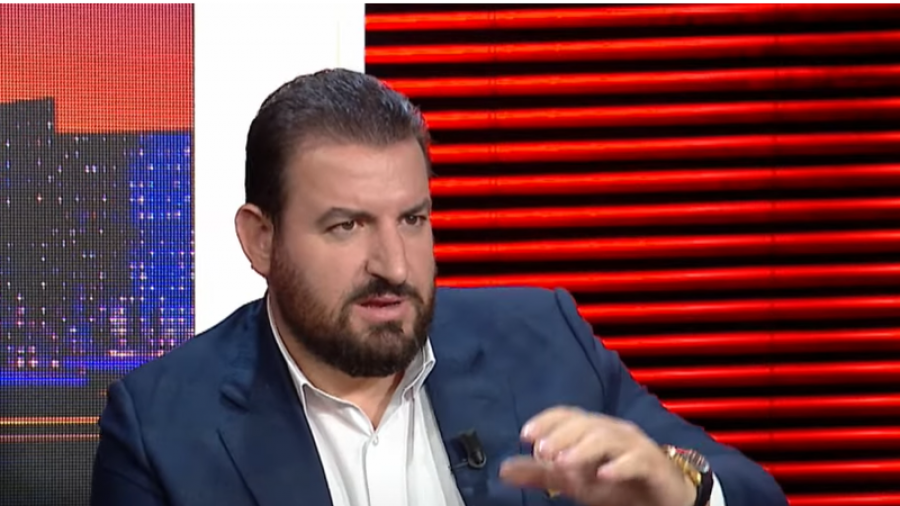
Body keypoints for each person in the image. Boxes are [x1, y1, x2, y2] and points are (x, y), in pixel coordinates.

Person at [90, 68, 787, 506]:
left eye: (413, 219)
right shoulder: (161, 427)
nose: (394, 265)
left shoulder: (544, 339)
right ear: (260, 239)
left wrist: (683, 491)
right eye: (346, 226)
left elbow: (752, 492)